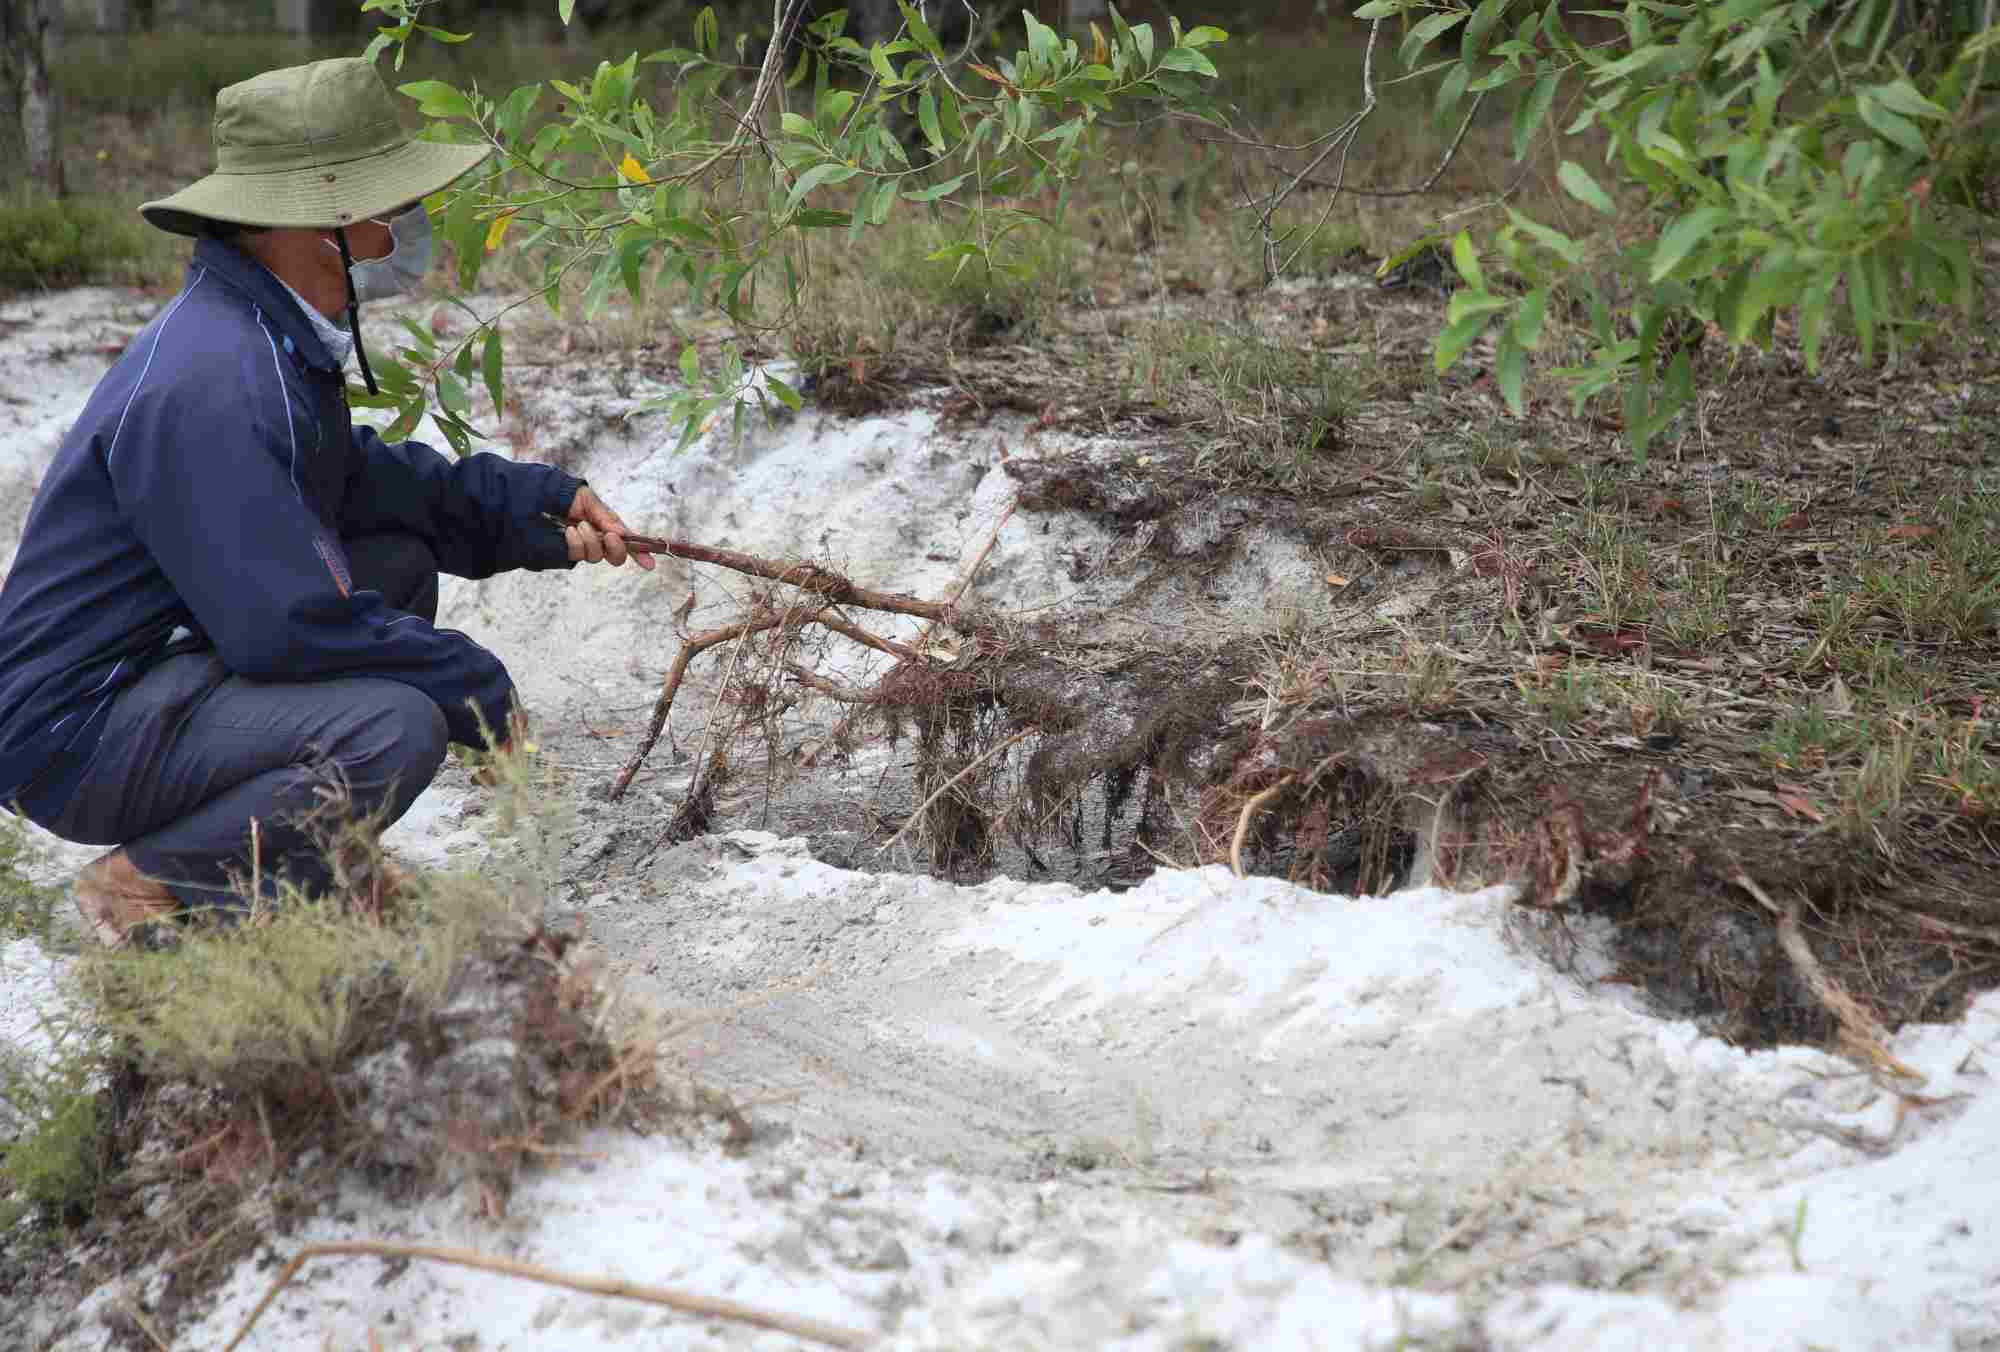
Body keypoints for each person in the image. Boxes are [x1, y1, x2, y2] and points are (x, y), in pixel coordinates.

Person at [0, 57, 657, 947]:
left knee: (394, 567)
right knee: (394, 726)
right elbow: (283, 628)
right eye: (390, 208)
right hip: (74, 735)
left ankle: (307, 860)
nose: (408, 229)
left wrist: (539, 508)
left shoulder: (262, 333)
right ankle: (145, 883)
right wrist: (480, 689)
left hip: (153, 673)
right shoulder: (214, 384)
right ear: (318, 226)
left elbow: (367, 483)